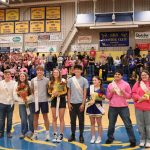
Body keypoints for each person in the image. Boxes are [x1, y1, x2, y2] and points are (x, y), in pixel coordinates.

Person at [105, 69, 136, 147]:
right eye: (115, 74)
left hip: (123, 107)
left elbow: (129, 96)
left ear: (121, 76)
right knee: (111, 125)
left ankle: (132, 140)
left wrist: (123, 92)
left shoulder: (126, 84)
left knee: (128, 124)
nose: (117, 75)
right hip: (112, 107)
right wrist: (111, 92)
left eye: (119, 74)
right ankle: (110, 138)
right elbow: (108, 97)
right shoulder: (110, 85)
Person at [67, 65, 88, 143]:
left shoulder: (84, 80)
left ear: (81, 71)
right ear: (73, 71)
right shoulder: (70, 80)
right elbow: (68, 93)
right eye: (76, 69)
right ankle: (73, 135)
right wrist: (68, 103)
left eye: (79, 69)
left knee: (81, 120)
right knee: (72, 120)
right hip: (72, 103)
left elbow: (85, 93)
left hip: (80, 104)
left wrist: (83, 104)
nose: (77, 71)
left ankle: (81, 135)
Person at [30, 65, 50, 141]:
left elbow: (49, 91)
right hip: (35, 102)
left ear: (43, 71)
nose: (39, 71)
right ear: (36, 71)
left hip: (44, 101)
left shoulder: (47, 80)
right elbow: (31, 90)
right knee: (35, 118)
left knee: (46, 118)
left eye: (41, 70)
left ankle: (47, 134)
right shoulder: (32, 80)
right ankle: (35, 134)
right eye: (38, 70)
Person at [48, 69, 67, 143]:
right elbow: (49, 91)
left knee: (61, 118)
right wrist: (53, 93)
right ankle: (55, 134)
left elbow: (65, 91)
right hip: (53, 100)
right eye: (54, 72)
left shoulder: (63, 81)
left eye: (57, 72)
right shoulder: (50, 82)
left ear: (59, 73)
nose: (55, 73)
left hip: (61, 100)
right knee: (54, 117)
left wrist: (59, 94)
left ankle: (61, 134)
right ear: (52, 74)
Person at [132, 70, 150, 148]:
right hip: (139, 107)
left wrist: (146, 98)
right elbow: (133, 93)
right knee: (140, 125)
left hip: (148, 107)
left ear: (148, 75)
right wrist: (140, 98)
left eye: (145, 75)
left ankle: (148, 140)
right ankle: (142, 139)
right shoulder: (138, 83)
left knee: (148, 125)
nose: (144, 76)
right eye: (142, 75)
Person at [13, 72, 34, 139]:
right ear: (19, 77)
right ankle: (23, 132)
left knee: (30, 119)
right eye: (21, 76)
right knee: (23, 119)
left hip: (30, 103)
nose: (22, 77)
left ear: (25, 77)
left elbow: (33, 93)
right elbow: (15, 95)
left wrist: (27, 99)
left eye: (23, 76)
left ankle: (31, 132)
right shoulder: (16, 84)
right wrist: (23, 100)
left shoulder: (30, 83)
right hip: (21, 104)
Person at [86, 76, 105, 144]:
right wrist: (89, 101)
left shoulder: (102, 89)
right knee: (92, 124)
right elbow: (87, 97)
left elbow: (103, 98)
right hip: (91, 107)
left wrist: (97, 98)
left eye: (95, 80)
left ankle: (99, 137)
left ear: (99, 81)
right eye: (93, 80)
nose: (94, 81)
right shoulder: (89, 88)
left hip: (98, 107)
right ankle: (93, 137)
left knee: (99, 123)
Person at [0, 70, 16, 138]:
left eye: (9, 74)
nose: (7, 76)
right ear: (4, 75)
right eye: (6, 74)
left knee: (9, 119)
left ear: (10, 75)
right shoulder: (0, 83)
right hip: (2, 103)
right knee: (1, 119)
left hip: (10, 104)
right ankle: (1, 132)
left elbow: (16, 93)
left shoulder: (14, 83)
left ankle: (8, 132)